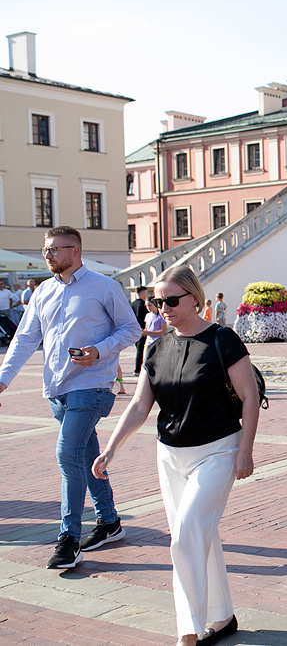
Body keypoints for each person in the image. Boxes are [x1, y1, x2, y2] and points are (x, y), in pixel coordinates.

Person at [93, 266, 259, 646]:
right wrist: (111, 447)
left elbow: (249, 397)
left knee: (185, 535)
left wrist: (246, 451)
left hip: (219, 450)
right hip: (169, 455)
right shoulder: (156, 347)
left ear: (195, 299)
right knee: (201, 533)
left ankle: (188, 630)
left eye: (171, 300)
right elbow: (139, 406)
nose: (163, 307)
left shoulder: (223, 339)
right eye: (157, 301)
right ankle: (222, 617)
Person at [0, 226, 141, 569]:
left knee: (67, 454)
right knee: (86, 453)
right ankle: (109, 522)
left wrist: (99, 350)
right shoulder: (43, 292)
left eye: (54, 250)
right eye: (45, 250)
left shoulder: (104, 287)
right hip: (57, 388)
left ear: (75, 251)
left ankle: (69, 538)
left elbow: (131, 329)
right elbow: (23, 340)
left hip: (91, 384)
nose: (47, 256)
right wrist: (2, 380)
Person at [131, 286, 150, 375]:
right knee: (141, 349)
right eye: (146, 293)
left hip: (135, 329)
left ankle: (138, 368)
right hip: (141, 329)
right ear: (142, 293)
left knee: (139, 348)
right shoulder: (142, 304)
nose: (146, 295)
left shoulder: (133, 303)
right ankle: (138, 369)